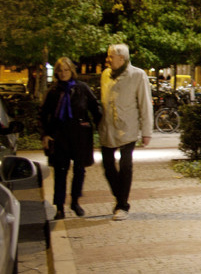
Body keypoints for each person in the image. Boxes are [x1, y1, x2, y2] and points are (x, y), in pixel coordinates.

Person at [40, 57, 102, 220]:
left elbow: (95, 108)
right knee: (60, 171)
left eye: (66, 70)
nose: (63, 73)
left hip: (80, 135)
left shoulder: (82, 88)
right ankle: (59, 206)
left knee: (79, 170)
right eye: (60, 70)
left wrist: (99, 127)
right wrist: (45, 134)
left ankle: (75, 201)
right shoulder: (53, 91)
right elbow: (43, 114)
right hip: (59, 136)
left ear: (71, 71)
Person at [99, 43, 153, 220]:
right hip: (108, 127)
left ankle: (122, 205)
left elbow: (145, 104)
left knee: (125, 166)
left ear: (121, 58)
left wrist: (146, 132)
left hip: (127, 127)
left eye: (110, 56)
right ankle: (120, 197)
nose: (107, 59)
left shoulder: (138, 75)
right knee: (107, 166)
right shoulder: (106, 75)